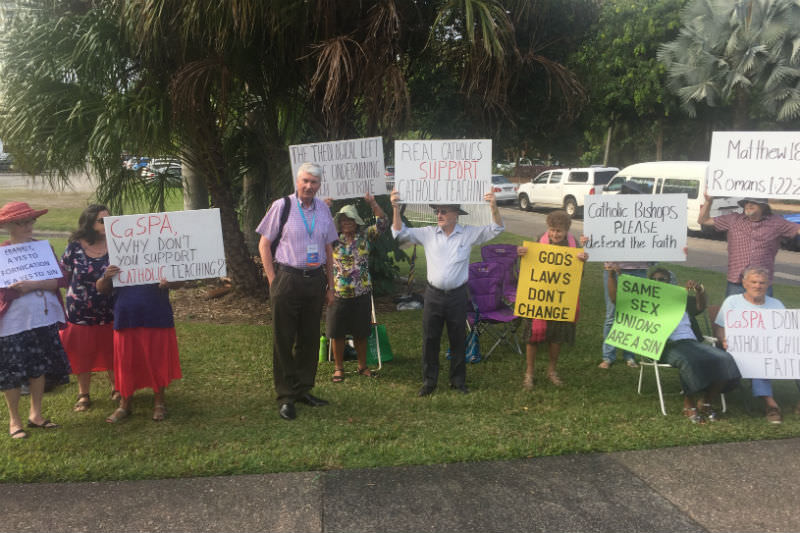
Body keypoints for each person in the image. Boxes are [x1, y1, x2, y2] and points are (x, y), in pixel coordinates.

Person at [391, 189, 504, 396]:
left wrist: (493, 207)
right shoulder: (427, 233)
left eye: (443, 211)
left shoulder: (468, 233)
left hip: (457, 295)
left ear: (455, 214)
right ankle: (429, 382)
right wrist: (396, 208)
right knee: (430, 339)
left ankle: (458, 381)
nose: (439, 215)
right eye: (437, 211)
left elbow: (496, 228)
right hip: (433, 295)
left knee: (458, 337)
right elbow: (399, 232)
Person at [257, 162, 338, 421]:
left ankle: (303, 389)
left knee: (310, 338)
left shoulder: (324, 209)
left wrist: (331, 285)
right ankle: (285, 396)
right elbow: (264, 244)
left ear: (319, 185)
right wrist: (273, 280)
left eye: (314, 182)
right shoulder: (283, 206)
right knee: (284, 338)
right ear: (297, 181)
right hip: (288, 278)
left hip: (315, 281)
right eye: (305, 181)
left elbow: (328, 249)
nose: (309, 186)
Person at [609, 266, 740, 423]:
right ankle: (688, 404)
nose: (658, 282)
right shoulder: (645, 300)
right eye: (654, 280)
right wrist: (611, 276)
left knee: (726, 359)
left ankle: (706, 401)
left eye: (662, 279)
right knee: (689, 360)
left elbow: (701, 306)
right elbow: (616, 299)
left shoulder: (680, 299)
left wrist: (699, 290)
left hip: (691, 342)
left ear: (669, 282)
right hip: (665, 345)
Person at [0, 202, 71, 439]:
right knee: (11, 371)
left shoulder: (44, 249)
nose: (28, 226)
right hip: (12, 322)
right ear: (8, 225)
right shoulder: (2, 254)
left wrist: (32, 285)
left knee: (38, 367)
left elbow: (60, 281)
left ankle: (36, 415)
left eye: (31, 220)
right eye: (22, 222)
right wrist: (15, 290)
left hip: (42, 317)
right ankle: (14, 421)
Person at [714, 265, 799, 424]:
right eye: (753, 282)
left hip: (773, 349)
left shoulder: (776, 304)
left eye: (762, 283)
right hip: (742, 351)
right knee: (757, 360)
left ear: (768, 285)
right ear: (744, 283)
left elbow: (786, 330)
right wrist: (723, 339)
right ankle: (771, 405)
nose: (757, 286)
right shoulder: (733, 302)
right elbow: (719, 328)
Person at [98, 270, 182, 423]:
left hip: (157, 313)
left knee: (157, 360)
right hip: (126, 315)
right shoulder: (117, 254)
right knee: (126, 362)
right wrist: (106, 276)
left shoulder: (160, 253)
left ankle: (159, 403)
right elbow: (101, 288)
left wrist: (170, 282)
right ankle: (124, 405)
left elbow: (180, 281)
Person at [516, 210, 588, 389]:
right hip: (538, 297)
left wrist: (582, 262)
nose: (555, 234)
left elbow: (579, 277)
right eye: (552, 230)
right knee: (532, 337)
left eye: (559, 231)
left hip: (560, 299)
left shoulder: (574, 245)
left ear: (566, 231)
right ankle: (529, 373)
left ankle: (552, 371)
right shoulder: (538, 240)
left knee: (557, 337)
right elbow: (526, 271)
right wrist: (521, 255)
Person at [60, 205, 117, 412]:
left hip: (110, 308)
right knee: (81, 353)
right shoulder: (75, 246)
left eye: (110, 219)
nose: (107, 223)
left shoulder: (117, 244)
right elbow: (63, 275)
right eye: (102, 221)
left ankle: (116, 387)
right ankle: (83, 394)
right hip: (80, 311)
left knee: (112, 350)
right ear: (90, 224)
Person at [328, 194, 388, 382]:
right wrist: (324, 207)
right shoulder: (332, 240)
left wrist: (372, 202)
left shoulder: (365, 237)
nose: (347, 223)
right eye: (343, 220)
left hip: (362, 293)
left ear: (356, 222)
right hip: (338, 294)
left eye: (350, 219)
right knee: (337, 333)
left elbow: (383, 223)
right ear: (338, 223)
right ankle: (339, 368)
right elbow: (317, 227)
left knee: (361, 332)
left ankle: (362, 366)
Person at [698, 195, 800, 296]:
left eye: (754, 202)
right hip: (736, 282)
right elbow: (703, 220)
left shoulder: (776, 222)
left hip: (762, 284)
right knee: (733, 312)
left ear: (763, 206)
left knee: (763, 312)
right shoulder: (733, 219)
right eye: (746, 202)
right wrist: (708, 201)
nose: (749, 204)